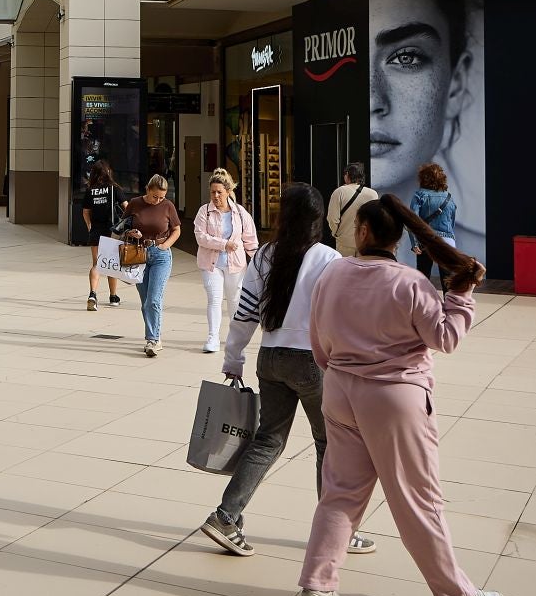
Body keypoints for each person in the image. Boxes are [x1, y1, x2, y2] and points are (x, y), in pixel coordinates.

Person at [296, 195, 503, 596]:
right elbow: (445, 338)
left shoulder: (332, 274)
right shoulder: (410, 283)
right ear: (397, 239)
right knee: (418, 499)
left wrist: (343, 371)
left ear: (365, 231)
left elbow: (318, 341)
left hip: (339, 389)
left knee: (340, 493)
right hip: (395, 398)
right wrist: (461, 296)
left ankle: (318, 586)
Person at [200, 183, 375, 559]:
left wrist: (233, 359)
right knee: (328, 444)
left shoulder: (265, 255)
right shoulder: (329, 260)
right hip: (312, 362)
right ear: (317, 221)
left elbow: (244, 313)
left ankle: (226, 517)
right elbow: (345, 318)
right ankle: (337, 531)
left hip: (271, 358)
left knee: (267, 441)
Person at [368, 0, 482, 261]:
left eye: (406, 58)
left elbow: (416, 221)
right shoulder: (447, 203)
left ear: (456, 83)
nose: (372, 101)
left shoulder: (421, 201)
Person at [192, 169, 257, 353]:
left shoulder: (240, 213)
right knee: (214, 299)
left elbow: (250, 239)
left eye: (219, 192)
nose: (215, 196)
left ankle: (235, 337)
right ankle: (213, 337)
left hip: (235, 265)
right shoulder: (204, 211)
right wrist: (224, 244)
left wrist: (258, 259)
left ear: (228, 191)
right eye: (213, 192)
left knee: (235, 301)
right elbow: (200, 237)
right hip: (211, 264)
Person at [125, 174, 181, 357]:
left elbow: (177, 229)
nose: (158, 200)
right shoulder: (135, 203)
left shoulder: (168, 206)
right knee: (145, 302)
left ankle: (153, 340)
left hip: (161, 255)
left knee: (154, 299)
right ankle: (154, 335)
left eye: (162, 197)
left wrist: (165, 245)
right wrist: (131, 232)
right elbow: (123, 225)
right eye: (155, 196)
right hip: (139, 254)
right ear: (148, 190)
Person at [80, 159, 126, 310]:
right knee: (111, 263)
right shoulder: (114, 189)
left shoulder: (90, 190)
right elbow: (127, 207)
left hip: (96, 231)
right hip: (112, 231)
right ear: (108, 172)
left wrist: (90, 227)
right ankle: (113, 296)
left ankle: (92, 294)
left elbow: (86, 212)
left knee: (97, 264)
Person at [410, 163, 457, 284]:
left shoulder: (419, 195)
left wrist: (414, 244)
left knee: (423, 277)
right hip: (447, 242)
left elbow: (412, 220)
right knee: (448, 279)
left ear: (423, 178)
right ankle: (449, 302)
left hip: (426, 240)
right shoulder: (449, 197)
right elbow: (451, 223)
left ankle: (423, 303)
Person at [325, 163, 375, 256]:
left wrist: (336, 233)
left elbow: (332, 218)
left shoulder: (339, 192)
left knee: (345, 269)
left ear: (347, 175)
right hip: (365, 242)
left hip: (345, 243)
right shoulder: (372, 194)